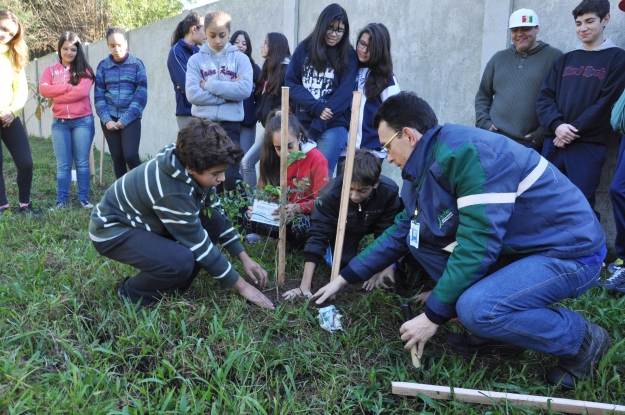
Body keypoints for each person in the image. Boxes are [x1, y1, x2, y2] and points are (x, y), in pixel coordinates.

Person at [313, 92, 610, 390]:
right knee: (423, 244)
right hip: (526, 248)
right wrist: (344, 278)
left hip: (570, 253)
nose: (388, 157)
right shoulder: (427, 165)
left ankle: (582, 340)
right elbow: (407, 229)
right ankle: (499, 334)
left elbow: (477, 248)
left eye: (387, 147)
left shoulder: (470, 154)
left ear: (408, 136)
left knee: (476, 308)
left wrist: (432, 317)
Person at [89, 117, 274, 310]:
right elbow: (199, 244)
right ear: (191, 168)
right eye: (216, 173)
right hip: (112, 229)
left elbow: (215, 210)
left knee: (215, 221)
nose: (222, 178)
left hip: (147, 220)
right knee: (181, 260)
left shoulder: (192, 161)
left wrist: (244, 257)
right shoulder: (173, 190)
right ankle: (131, 293)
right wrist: (242, 286)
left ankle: (173, 289)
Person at [536, 0, 625, 217]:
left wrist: (571, 130)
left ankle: (587, 250)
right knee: (546, 200)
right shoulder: (565, 59)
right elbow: (545, 97)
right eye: (578, 23)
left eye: (589, 21)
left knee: (580, 204)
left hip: (586, 144)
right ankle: (551, 249)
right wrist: (557, 126)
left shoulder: (617, 58)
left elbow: (606, 104)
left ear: (605, 20)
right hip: (554, 142)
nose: (582, 28)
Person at [283, 149, 400, 300]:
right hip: (344, 226)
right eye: (350, 189)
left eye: (363, 191)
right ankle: (316, 250)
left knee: (376, 264)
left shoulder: (389, 192)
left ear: (376, 183)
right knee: (345, 261)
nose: (354, 196)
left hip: (369, 223)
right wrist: (304, 285)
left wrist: (378, 268)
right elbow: (319, 233)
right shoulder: (329, 194)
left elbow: (385, 233)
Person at [285, 3, 358, 175]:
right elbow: (291, 82)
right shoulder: (304, 49)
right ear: (322, 25)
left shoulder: (349, 55)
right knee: (298, 178)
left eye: (340, 30)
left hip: (332, 126)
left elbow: (344, 94)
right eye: (330, 28)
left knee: (321, 179)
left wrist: (319, 122)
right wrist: (315, 107)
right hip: (302, 125)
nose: (334, 34)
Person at [475, 8, 562, 152]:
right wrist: (484, 122)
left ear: (537, 28)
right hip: (494, 139)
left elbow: (561, 101)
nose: (519, 34)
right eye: (515, 30)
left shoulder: (554, 57)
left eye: (525, 28)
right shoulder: (498, 58)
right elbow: (483, 95)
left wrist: (541, 134)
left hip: (529, 144)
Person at [186, 11, 252, 192]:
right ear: (205, 33)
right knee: (206, 174)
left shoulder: (241, 59)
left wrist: (208, 85)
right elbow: (192, 94)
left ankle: (238, 218)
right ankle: (209, 216)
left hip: (230, 126)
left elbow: (244, 90)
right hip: (203, 125)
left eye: (222, 36)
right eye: (212, 35)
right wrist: (229, 92)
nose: (217, 41)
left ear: (229, 33)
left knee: (230, 176)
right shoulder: (195, 60)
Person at [243, 111, 329, 246]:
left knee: (301, 225)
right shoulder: (272, 159)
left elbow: (323, 201)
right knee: (248, 218)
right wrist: (258, 208)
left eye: (290, 146)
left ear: (299, 138)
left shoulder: (317, 159)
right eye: (278, 148)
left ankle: (297, 245)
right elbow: (263, 194)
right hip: (279, 216)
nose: (285, 153)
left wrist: (297, 208)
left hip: (303, 216)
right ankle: (282, 240)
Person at [40, 31, 96, 209]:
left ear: (78, 50)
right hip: (60, 124)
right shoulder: (50, 70)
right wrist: (66, 87)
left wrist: (57, 97)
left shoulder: (84, 70)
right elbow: (44, 90)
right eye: (65, 49)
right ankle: (61, 201)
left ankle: (83, 199)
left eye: (73, 49)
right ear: (60, 49)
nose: (69, 53)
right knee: (63, 164)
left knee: (81, 162)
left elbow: (81, 93)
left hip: (83, 122)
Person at [95, 27, 148, 179]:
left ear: (126, 43)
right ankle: (122, 194)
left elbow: (141, 95)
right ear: (108, 45)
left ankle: (143, 188)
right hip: (109, 117)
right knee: (117, 157)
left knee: (130, 156)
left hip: (131, 117)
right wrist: (107, 120)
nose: (116, 49)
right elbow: (99, 95)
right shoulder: (102, 66)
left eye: (119, 45)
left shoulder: (137, 65)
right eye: (112, 45)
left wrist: (125, 119)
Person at [241, 32, 291, 187]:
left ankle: (252, 205)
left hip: (280, 128)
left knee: (247, 162)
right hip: (269, 127)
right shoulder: (269, 69)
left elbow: (292, 100)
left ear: (275, 46)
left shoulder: (286, 70)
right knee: (262, 170)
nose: (261, 46)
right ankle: (254, 207)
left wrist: (279, 113)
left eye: (265, 43)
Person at [344, 23, 399, 160]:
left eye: (370, 47)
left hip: (371, 153)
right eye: (361, 43)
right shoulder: (350, 69)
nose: (363, 50)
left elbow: (396, 114)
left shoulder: (386, 79)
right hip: (345, 149)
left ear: (379, 50)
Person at [0, 10, 34, 214]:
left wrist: (12, 111)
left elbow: (21, 88)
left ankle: (25, 204)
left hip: (8, 117)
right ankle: (2, 206)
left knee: (25, 161)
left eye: (10, 33)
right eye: (3, 28)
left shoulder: (14, 55)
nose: (5, 35)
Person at [167, 12, 206, 130]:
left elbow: (211, 79)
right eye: (205, 31)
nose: (207, 35)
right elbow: (188, 86)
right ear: (194, 29)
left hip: (204, 113)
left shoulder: (201, 53)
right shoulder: (176, 52)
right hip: (187, 114)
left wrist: (205, 83)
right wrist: (205, 83)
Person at [230, 30, 261, 157]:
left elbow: (261, 96)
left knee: (245, 161)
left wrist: (255, 115)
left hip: (248, 122)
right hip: (229, 121)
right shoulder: (225, 67)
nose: (240, 46)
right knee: (229, 160)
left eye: (244, 43)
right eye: (236, 42)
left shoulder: (255, 69)